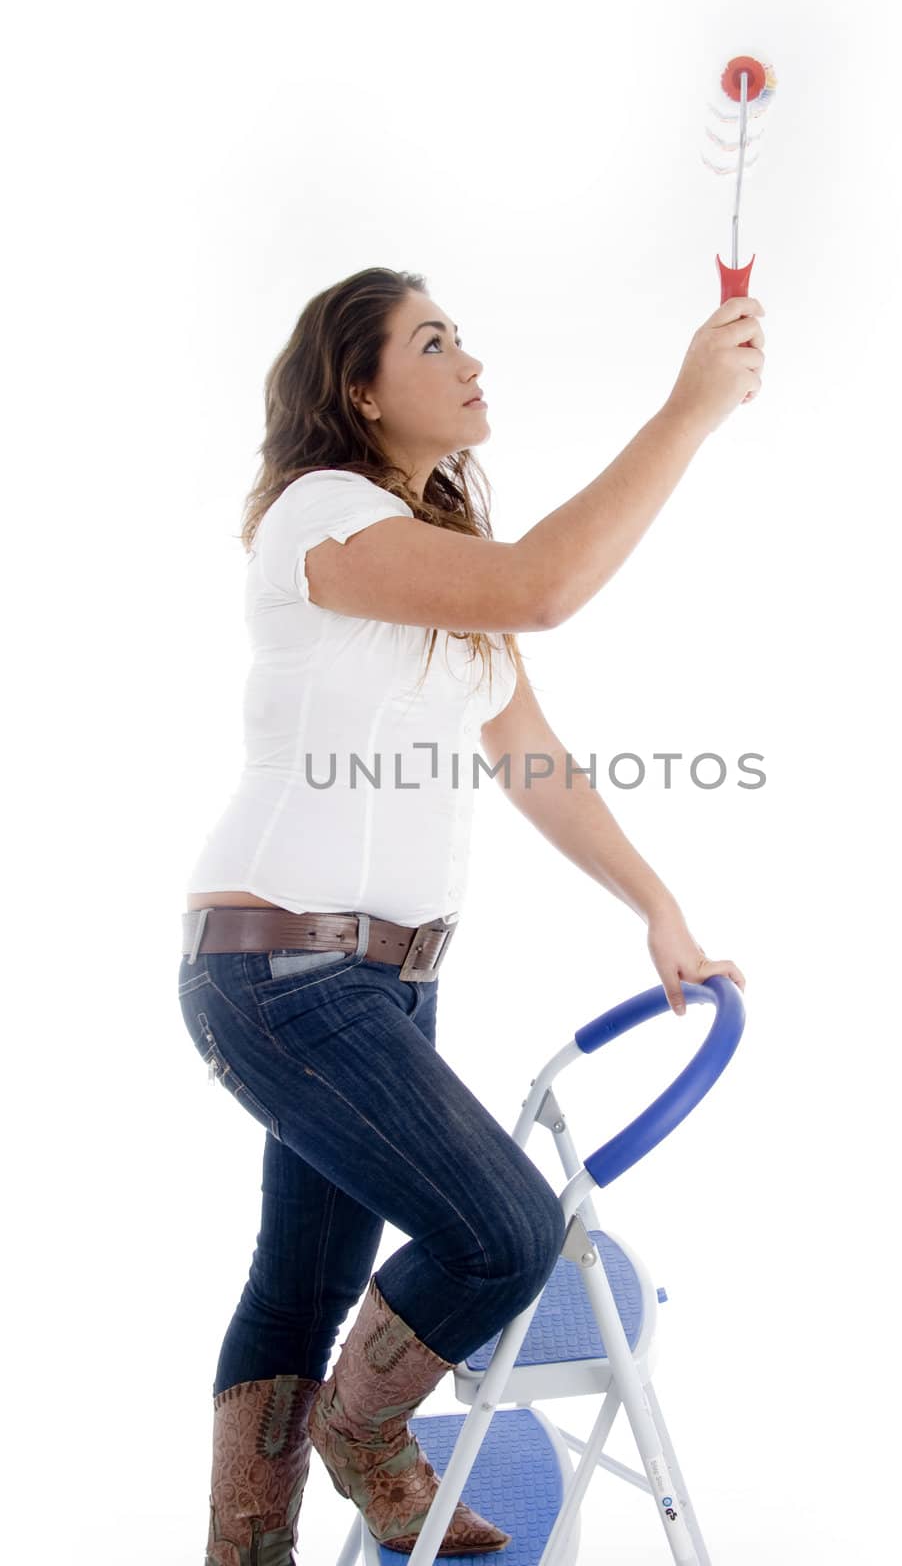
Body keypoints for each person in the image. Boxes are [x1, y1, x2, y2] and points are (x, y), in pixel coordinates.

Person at [177, 265, 762, 1562]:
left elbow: (538, 764)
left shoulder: (442, 583)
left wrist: (656, 907)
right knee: (502, 1231)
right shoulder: (318, 514)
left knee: (307, 1283)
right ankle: (364, 1436)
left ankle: (251, 1545)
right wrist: (687, 411)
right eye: (433, 342)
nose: (470, 361)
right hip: (280, 970)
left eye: (466, 339)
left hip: (384, 986)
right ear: (361, 388)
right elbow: (545, 585)